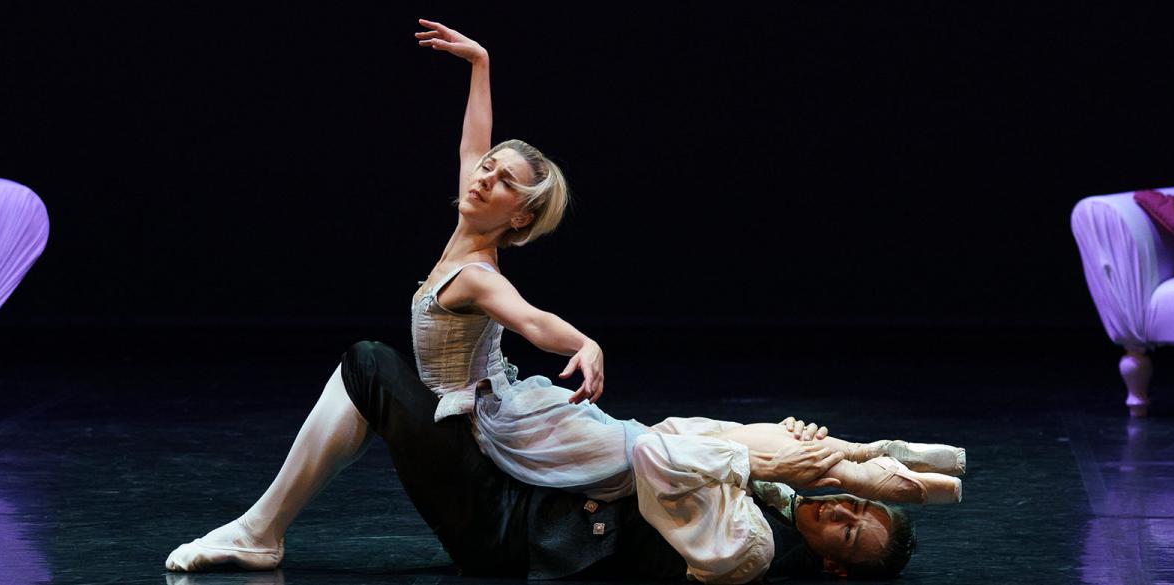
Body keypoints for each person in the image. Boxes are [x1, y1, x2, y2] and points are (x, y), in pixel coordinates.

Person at [401, 18, 964, 504]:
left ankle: (882, 480)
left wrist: (584, 344)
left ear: (519, 217)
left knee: (693, 450)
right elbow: (474, 144)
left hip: (519, 429)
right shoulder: (472, 214)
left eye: (502, 181)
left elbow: (530, 320)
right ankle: (878, 455)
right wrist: (480, 62)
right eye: (487, 169)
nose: (483, 177)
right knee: (694, 432)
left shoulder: (477, 273)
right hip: (524, 410)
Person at [168, 341, 918, 581]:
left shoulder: (765, 550)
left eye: (849, 531)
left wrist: (770, 457)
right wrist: (783, 447)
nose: (840, 509)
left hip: (515, 530)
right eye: (854, 503)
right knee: (423, 363)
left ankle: (260, 531)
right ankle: (260, 529)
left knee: (371, 366)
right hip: (538, 487)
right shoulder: (789, 497)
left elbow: (676, 454)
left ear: (835, 569)